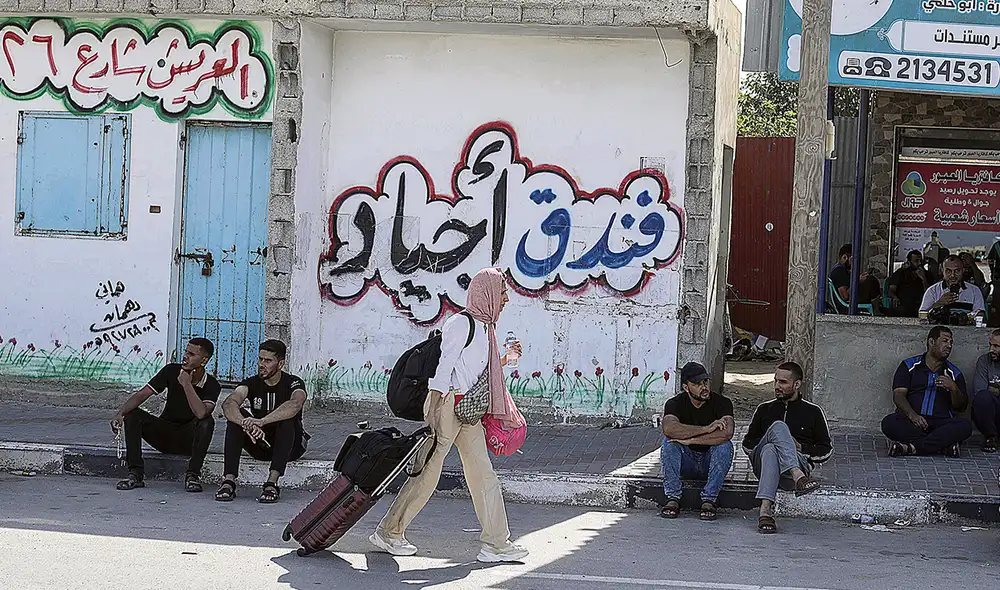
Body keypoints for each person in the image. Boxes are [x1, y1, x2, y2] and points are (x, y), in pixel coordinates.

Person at [370, 268, 529, 563]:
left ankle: (496, 543)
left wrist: (505, 359)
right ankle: (389, 531)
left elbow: (476, 372)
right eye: (502, 292)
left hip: (466, 410)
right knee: (428, 472)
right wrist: (432, 411)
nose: (506, 299)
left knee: (483, 474)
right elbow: (444, 369)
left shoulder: (486, 327)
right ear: (487, 293)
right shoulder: (461, 323)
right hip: (446, 405)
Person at [110, 338, 220, 492]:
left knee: (207, 421)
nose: (185, 356)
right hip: (165, 435)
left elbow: (201, 413)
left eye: (191, 354)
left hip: (189, 440)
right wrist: (120, 414)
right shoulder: (171, 371)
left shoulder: (212, 385)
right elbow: (143, 394)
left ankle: (193, 476)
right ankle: (135, 474)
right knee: (132, 414)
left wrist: (186, 384)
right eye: (186, 352)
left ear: (204, 361)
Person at [215, 340, 309, 503]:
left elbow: (295, 403)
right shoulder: (250, 383)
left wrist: (262, 421)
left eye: (268, 361)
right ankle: (229, 481)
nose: (261, 364)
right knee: (236, 419)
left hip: (291, 446)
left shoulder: (293, 382)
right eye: (260, 359)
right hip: (260, 443)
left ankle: (272, 483)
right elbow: (229, 403)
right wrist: (245, 423)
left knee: (287, 419)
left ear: (280, 364)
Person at [742, 362, 830, 535]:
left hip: (796, 464)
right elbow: (747, 444)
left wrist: (800, 447)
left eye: (782, 382)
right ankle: (799, 477)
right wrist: (776, 441)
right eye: (775, 381)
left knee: (771, 449)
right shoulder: (764, 409)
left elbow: (826, 450)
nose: (777, 386)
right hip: (766, 467)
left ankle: (765, 512)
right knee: (775, 434)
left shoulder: (813, 412)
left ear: (796, 384)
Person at [658, 362, 735, 521]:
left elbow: (727, 433)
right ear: (686, 387)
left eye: (705, 382)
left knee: (725, 446)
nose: (704, 387)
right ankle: (673, 497)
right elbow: (669, 429)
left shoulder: (722, 402)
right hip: (686, 462)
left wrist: (691, 439)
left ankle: (709, 499)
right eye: (697, 384)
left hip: (710, 462)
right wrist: (707, 429)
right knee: (669, 442)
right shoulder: (675, 403)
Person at [882, 326, 973, 458]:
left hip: (941, 423)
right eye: (945, 341)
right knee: (889, 423)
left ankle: (909, 448)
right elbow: (898, 395)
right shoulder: (909, 366)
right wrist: (913, 416)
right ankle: (942, 446)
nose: (949, 346)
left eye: (951, 342)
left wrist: (954, 388)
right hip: (913, 421)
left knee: (965, 426)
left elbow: (961, 407)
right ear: (931, 342)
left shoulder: (954, 373)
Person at [919, 255, 986, 318]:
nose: (952, 275)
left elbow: (980, 315)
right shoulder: (933, 291)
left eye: (957, 271)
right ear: (942, 271)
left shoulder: (974, 291)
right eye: (948, 271)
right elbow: (922, 316)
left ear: (963, 270)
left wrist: (967, 317)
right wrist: (939, 304)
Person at [829, 244, 881, 311]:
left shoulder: (843, 270)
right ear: (845, 257)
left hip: (852, 302)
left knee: (870, 280)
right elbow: (845, 296)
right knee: (871, 281)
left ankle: (876, 308)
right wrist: (858, 280)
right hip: (847, 307)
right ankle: (875, 309)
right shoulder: (839, 271)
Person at [972, 330, 1000, 453]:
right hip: (992, 414)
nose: (991, 349)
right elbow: (980, 391)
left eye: (996, 346)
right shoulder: (984, 361)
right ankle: (991, 437)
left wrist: (993, 388)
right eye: (990, 345)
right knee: (982, 398)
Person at [887, 250, 930, 317]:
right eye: (916, 261)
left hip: (921, 305)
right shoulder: (900, 273)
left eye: (921, 261)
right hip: (904, 304)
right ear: (909, 262)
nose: (919, 263)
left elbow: (929, 292)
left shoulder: (928, 275)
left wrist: (924, 279)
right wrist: (895, 297)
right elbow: (891, 290)